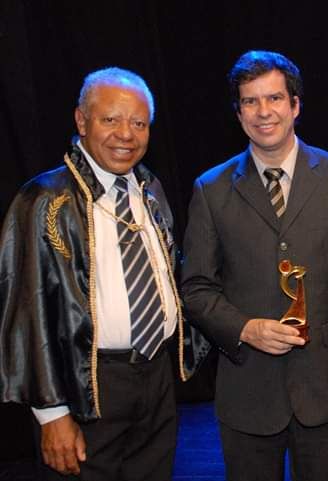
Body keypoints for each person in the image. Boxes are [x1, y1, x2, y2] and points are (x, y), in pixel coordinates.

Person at [0, 67, 206, 480]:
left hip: (155, 378)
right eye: (110, 119)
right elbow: (27, 312)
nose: (125, 134)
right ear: (81, 120)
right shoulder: (44, 199)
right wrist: (51, 413)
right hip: (87, 386)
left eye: (138, 123)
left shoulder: (149, 190)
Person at [181, 50, 328, 481]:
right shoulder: (211, 189)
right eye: (250, 101)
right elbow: (195, 289)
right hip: (247, 390)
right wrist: (245, 328)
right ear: (238, 112)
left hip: (326, 389)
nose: (263, 111)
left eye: (273, 98)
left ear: (295, 104)